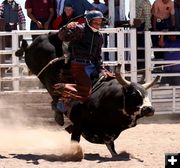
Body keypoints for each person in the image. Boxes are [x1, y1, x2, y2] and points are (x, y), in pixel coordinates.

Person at [55, 10, 113, 125]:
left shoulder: (99, 36)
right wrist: (67, 27)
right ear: (88, 21)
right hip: (78, 64)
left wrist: (102, 70)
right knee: (86, 90)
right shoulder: (79, 29)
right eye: (95, 22)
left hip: (91, 65)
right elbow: (62, 36)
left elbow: (97, 57)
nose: (98, 24)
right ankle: (61, 102)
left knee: (107, 82)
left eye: (99, 22)